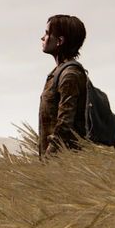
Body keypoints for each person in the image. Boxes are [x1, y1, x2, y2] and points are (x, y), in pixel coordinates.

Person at [38, 14, 88, 159]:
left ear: (59, 41)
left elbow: (65, 123)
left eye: (47, 33)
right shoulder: (58, 72)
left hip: (62, 163)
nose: (42, 38)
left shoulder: (69, 75)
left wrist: (49, 159)